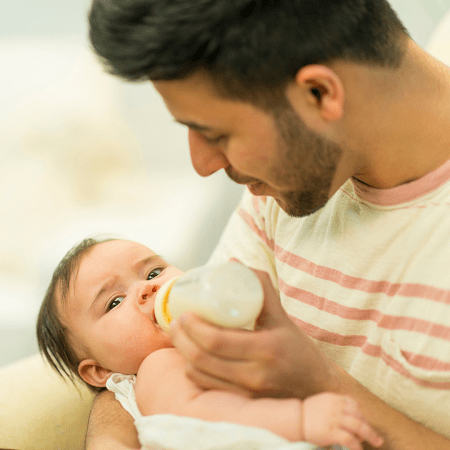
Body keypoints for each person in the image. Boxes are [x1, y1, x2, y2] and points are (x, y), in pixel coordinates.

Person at [86, 0, 450, 448]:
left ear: (319, 93)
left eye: (217, 134)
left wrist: (322, 385)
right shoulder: (286, 187)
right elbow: (145, 364)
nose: (203, 164)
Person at [36, 237, 384, 450]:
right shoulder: (159, 366)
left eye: (153, 272)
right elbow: (204, 415)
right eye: (114, 301)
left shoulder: (222, 335)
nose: (147, 289)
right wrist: (301, 417)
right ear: (99, 370)